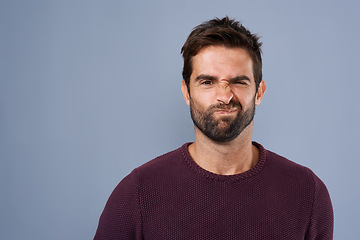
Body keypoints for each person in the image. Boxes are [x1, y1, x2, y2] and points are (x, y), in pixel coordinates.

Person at [94, 16, 333, 239]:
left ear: (259, 92)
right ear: (187, 92)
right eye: (207, 82)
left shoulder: (306, 192)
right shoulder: (137, 193)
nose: (225, 96)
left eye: (238, 82)